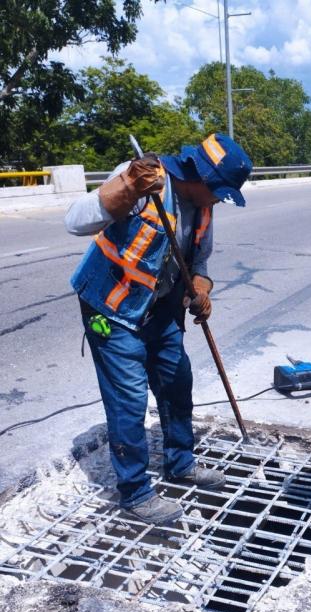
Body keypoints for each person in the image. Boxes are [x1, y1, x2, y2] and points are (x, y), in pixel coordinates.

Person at [65, 134, 252, 525]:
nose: (218, 200)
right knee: (130, 399)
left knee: (176, 381)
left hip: (161, 309)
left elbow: (198, 263)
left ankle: (180, 464)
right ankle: (134, 493)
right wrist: (126, 186)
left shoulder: (202, 208)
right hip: (112, 308)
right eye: (218, 191)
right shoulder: (144, 180)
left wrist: (201, 288)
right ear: (199, 177)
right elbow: (75, 221)